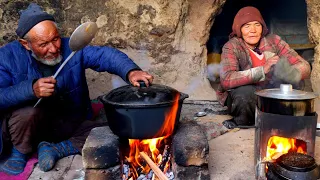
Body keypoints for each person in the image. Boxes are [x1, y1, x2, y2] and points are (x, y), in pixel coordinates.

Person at [0, 3, 153, 175]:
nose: (54, 48)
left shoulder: (72, 49)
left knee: (110, 132)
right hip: (27, 127)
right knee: (28, 113)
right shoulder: (6, 57)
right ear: (25, 44)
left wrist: (131, 71)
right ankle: (19, 151)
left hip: (64, 121)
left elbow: (105, 56)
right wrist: (30, 89)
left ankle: (57, 149)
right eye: (44, 44)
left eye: (55, 39)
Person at [216, 6, 311, 129]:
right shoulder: (231, 46)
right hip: (247, 97)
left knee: (295, 84)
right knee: (244, 93)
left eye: (257, 25)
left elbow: (305, 66)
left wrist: (293, 73)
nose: (253, 30)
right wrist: (262, 70)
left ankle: (279, 119)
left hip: (270, 94)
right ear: (239, 29)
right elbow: (227, 79)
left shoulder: (274, 41)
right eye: (247, 26)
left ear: (262, 27)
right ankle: (243, 121)